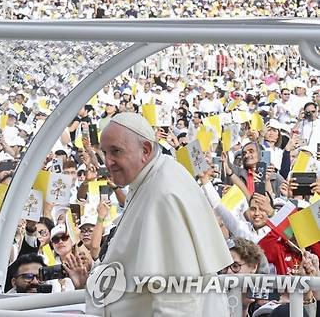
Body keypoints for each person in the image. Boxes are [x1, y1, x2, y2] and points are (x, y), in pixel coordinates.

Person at [87, 113, 232, 315]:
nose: (108, 161)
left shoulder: (164, 192)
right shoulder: (150, 177)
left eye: (116, 151)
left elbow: (178, 298)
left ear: (145, 150)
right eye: (105, 152)